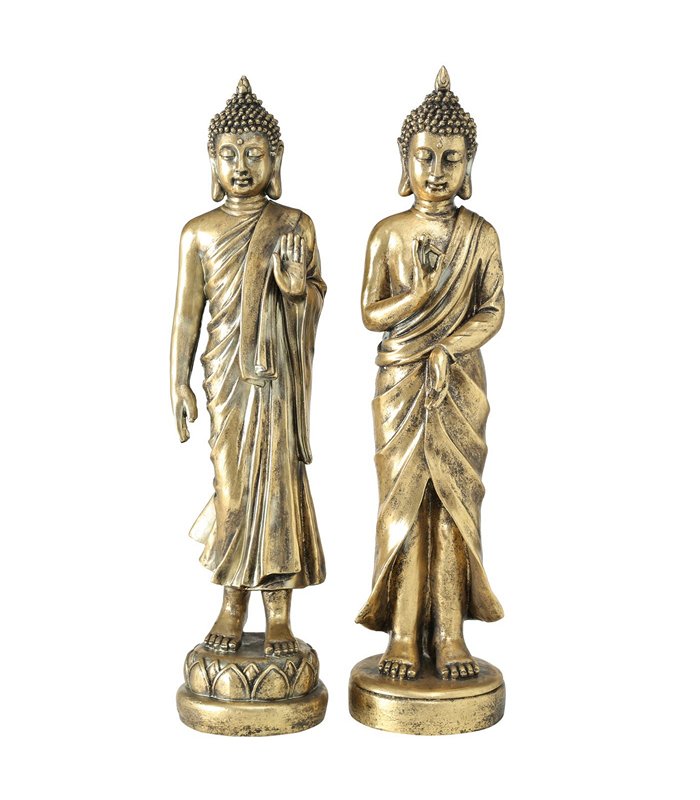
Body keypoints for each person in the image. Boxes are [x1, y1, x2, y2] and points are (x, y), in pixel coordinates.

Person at [357, 67, 504, 680]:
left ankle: (449, 634)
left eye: (450, 158)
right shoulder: (388, 234)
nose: (437, 172)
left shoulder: (481, 235)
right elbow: (370, 314)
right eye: (425, 157)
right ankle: (401, 633)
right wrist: (416, 300)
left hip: (457, 382)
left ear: (469, 164)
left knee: (451, 505)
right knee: (405, 504)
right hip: (401, 383)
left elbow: (492, 310)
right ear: (405, 161)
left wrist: (448, 346)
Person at [170, 77, 325, 657]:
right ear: (212, 162)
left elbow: (316, 295)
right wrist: (178, 382)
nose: (242, 166)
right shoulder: (199, 233)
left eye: (255, 154)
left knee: (278, 487)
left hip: (277, 381)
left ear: (275, 161)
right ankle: (232, 603)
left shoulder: (295, 225)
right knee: (232, 487)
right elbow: (186, 316)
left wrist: (297, 290)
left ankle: (279, 614)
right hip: (227, 378)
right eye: (230, 154)